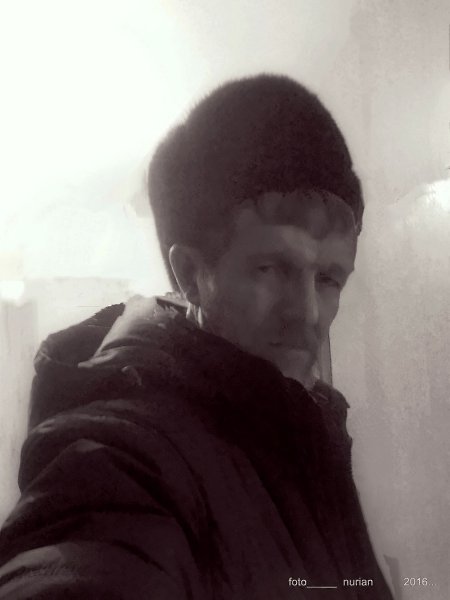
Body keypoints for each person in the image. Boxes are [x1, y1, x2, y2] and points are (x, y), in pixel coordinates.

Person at [0, 74, 394, 599]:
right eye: (271, 268)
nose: (307, 314)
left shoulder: (307, 428)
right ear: (190, 275)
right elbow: (82, 560)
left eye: (328, 279)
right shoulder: (122, 460)